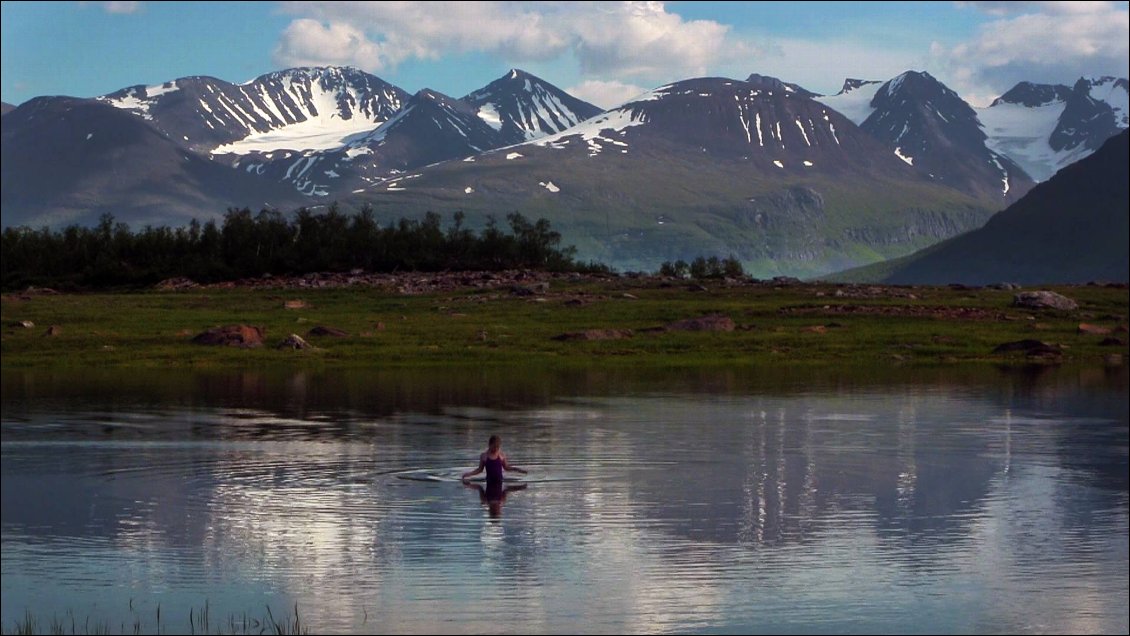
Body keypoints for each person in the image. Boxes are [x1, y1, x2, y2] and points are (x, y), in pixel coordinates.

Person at [462, 435, 527, 484]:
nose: (496, 449)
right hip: (488, 481)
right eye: (494, 446)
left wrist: (519, 470)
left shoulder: (501, 455)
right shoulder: (484, 456)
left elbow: (507, 468)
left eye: (497, 447)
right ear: (489, 445)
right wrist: (468, 474)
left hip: (500, 481)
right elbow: (479, 470)